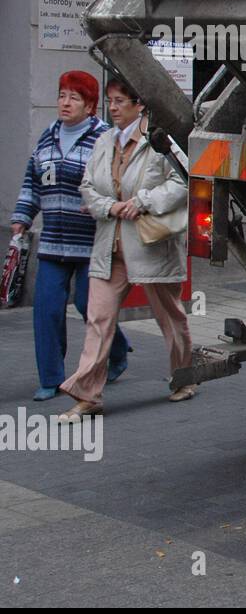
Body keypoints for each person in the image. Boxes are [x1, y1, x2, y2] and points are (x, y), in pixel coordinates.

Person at [57, 78, 194, 420]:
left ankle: (185, 377)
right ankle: (88, 396)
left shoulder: (159, 140)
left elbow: (184, 178)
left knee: (171, 316)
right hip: (110, 246)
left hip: (150, 243)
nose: (113, 108)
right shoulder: (105, 141)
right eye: (110, 101)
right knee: (98, 319)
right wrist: (109, 207)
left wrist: (142, 201)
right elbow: (88, 186)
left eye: (120, 101)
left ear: (139, 105)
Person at [9, 71, 130, 401]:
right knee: (46, 310)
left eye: (73, 97)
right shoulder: (47, 137)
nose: (64, 102)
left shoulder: (105, 138)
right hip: (52, 242)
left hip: (93, 241)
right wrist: (22, 217)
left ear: (90, 106)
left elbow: (119, 180)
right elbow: (33, 182)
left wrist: (101, 204)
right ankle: (52, 379)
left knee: (89, 306)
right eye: (62, 95)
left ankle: (118, 351)